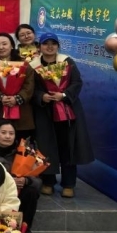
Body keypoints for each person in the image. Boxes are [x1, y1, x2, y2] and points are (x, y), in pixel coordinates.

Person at [30, 33, 94, 199]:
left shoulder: (67, 62)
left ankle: (68, 184)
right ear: (40, 47)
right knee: (46, 147)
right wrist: (41, 96)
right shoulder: (33, 66)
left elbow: (77, 82)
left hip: (67, 111)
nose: (49, 47)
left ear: (58, 46)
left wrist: (64, 95)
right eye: (46, 44)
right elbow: (31, 88)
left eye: (53, 43)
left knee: (68, 147)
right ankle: (48, 182)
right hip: (45, 113)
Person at [0, 122, 39, 233]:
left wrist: (26, 180)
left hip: (17, 192)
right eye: (3, 133)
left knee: (31, 191)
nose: (7, 136)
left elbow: (38, 181)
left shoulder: (25, 151)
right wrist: (7, 180)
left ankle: (25, 229)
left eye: (11, 133)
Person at [0, 33, 35, 139]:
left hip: (21, 114)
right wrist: (1, 98)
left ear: (11, 46)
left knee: (22, 145)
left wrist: (17, 98)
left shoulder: (24, 64)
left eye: (4, 44)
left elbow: (29, 84)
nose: (1, 47)